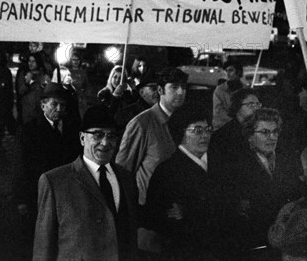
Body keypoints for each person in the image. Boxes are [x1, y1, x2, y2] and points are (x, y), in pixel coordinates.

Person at [33, 106, 138, 261]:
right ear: (82, 138)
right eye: (97, 135)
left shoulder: (126, 178)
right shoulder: (54, 182)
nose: (105, 142)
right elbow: (43, 249)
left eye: (112, 136)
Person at [115, 67, 188, 255]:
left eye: (183, 87)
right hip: (148, 221)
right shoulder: (142, 124)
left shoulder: (186, 123)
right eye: (174, 87)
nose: (180, 92)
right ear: (161, 90)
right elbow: (123, 172)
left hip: (179, 218)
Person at [145, 108, 230, 260]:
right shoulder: (167, 171)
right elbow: (155, 217)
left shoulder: (220, 164)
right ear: (181, 133)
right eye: (197, 130)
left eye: (208, 129)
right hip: (186, 252)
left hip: (221, 248)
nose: (205, 135)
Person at [230, 108, 304, 253]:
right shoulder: (238, 165)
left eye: (275, 131)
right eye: (265, 132)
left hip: (288, 234)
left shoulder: (288, 159)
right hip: (258, 239)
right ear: (250, 136)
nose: (272, 137)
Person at [15, 83, 81, 228]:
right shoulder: (28, 131)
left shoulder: (72, 129)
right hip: (39, 193)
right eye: (54, 104)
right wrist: (21, 199)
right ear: (43, 105)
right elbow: (20, 166)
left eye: (62, 105)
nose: (59, 109)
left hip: (66, 193)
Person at [209, 88, 262, 178]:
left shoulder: (257, 131)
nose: (256, 108)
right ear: (237, 107)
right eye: (251, 104)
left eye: (258, 104)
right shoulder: (222, 136)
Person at [16, 52, 51, 124]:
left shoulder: (44, 74)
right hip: (28, 111)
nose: (30, 63)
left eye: (33, 61)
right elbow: (20, 91)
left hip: (41, 111)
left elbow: (49, 93)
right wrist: (27, 82)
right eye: (29, 61)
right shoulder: (24, 74)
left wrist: (45, 85)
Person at [212, 59, 244, 130]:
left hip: (242, 127)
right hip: (223, 128)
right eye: (226, 71)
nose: (227, 74)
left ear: (238, 72)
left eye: (231, 70)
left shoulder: (245, 89)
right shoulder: (220, 90)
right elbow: (218, 113)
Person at [67, 50, 88, 117]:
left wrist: (83, 94)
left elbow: (86, 85)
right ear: (71, 60)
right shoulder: (67, 71)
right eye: (74, 60)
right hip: (70, 97)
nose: (76, 62)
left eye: (77, 60)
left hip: (80, 99)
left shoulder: (83, 72)